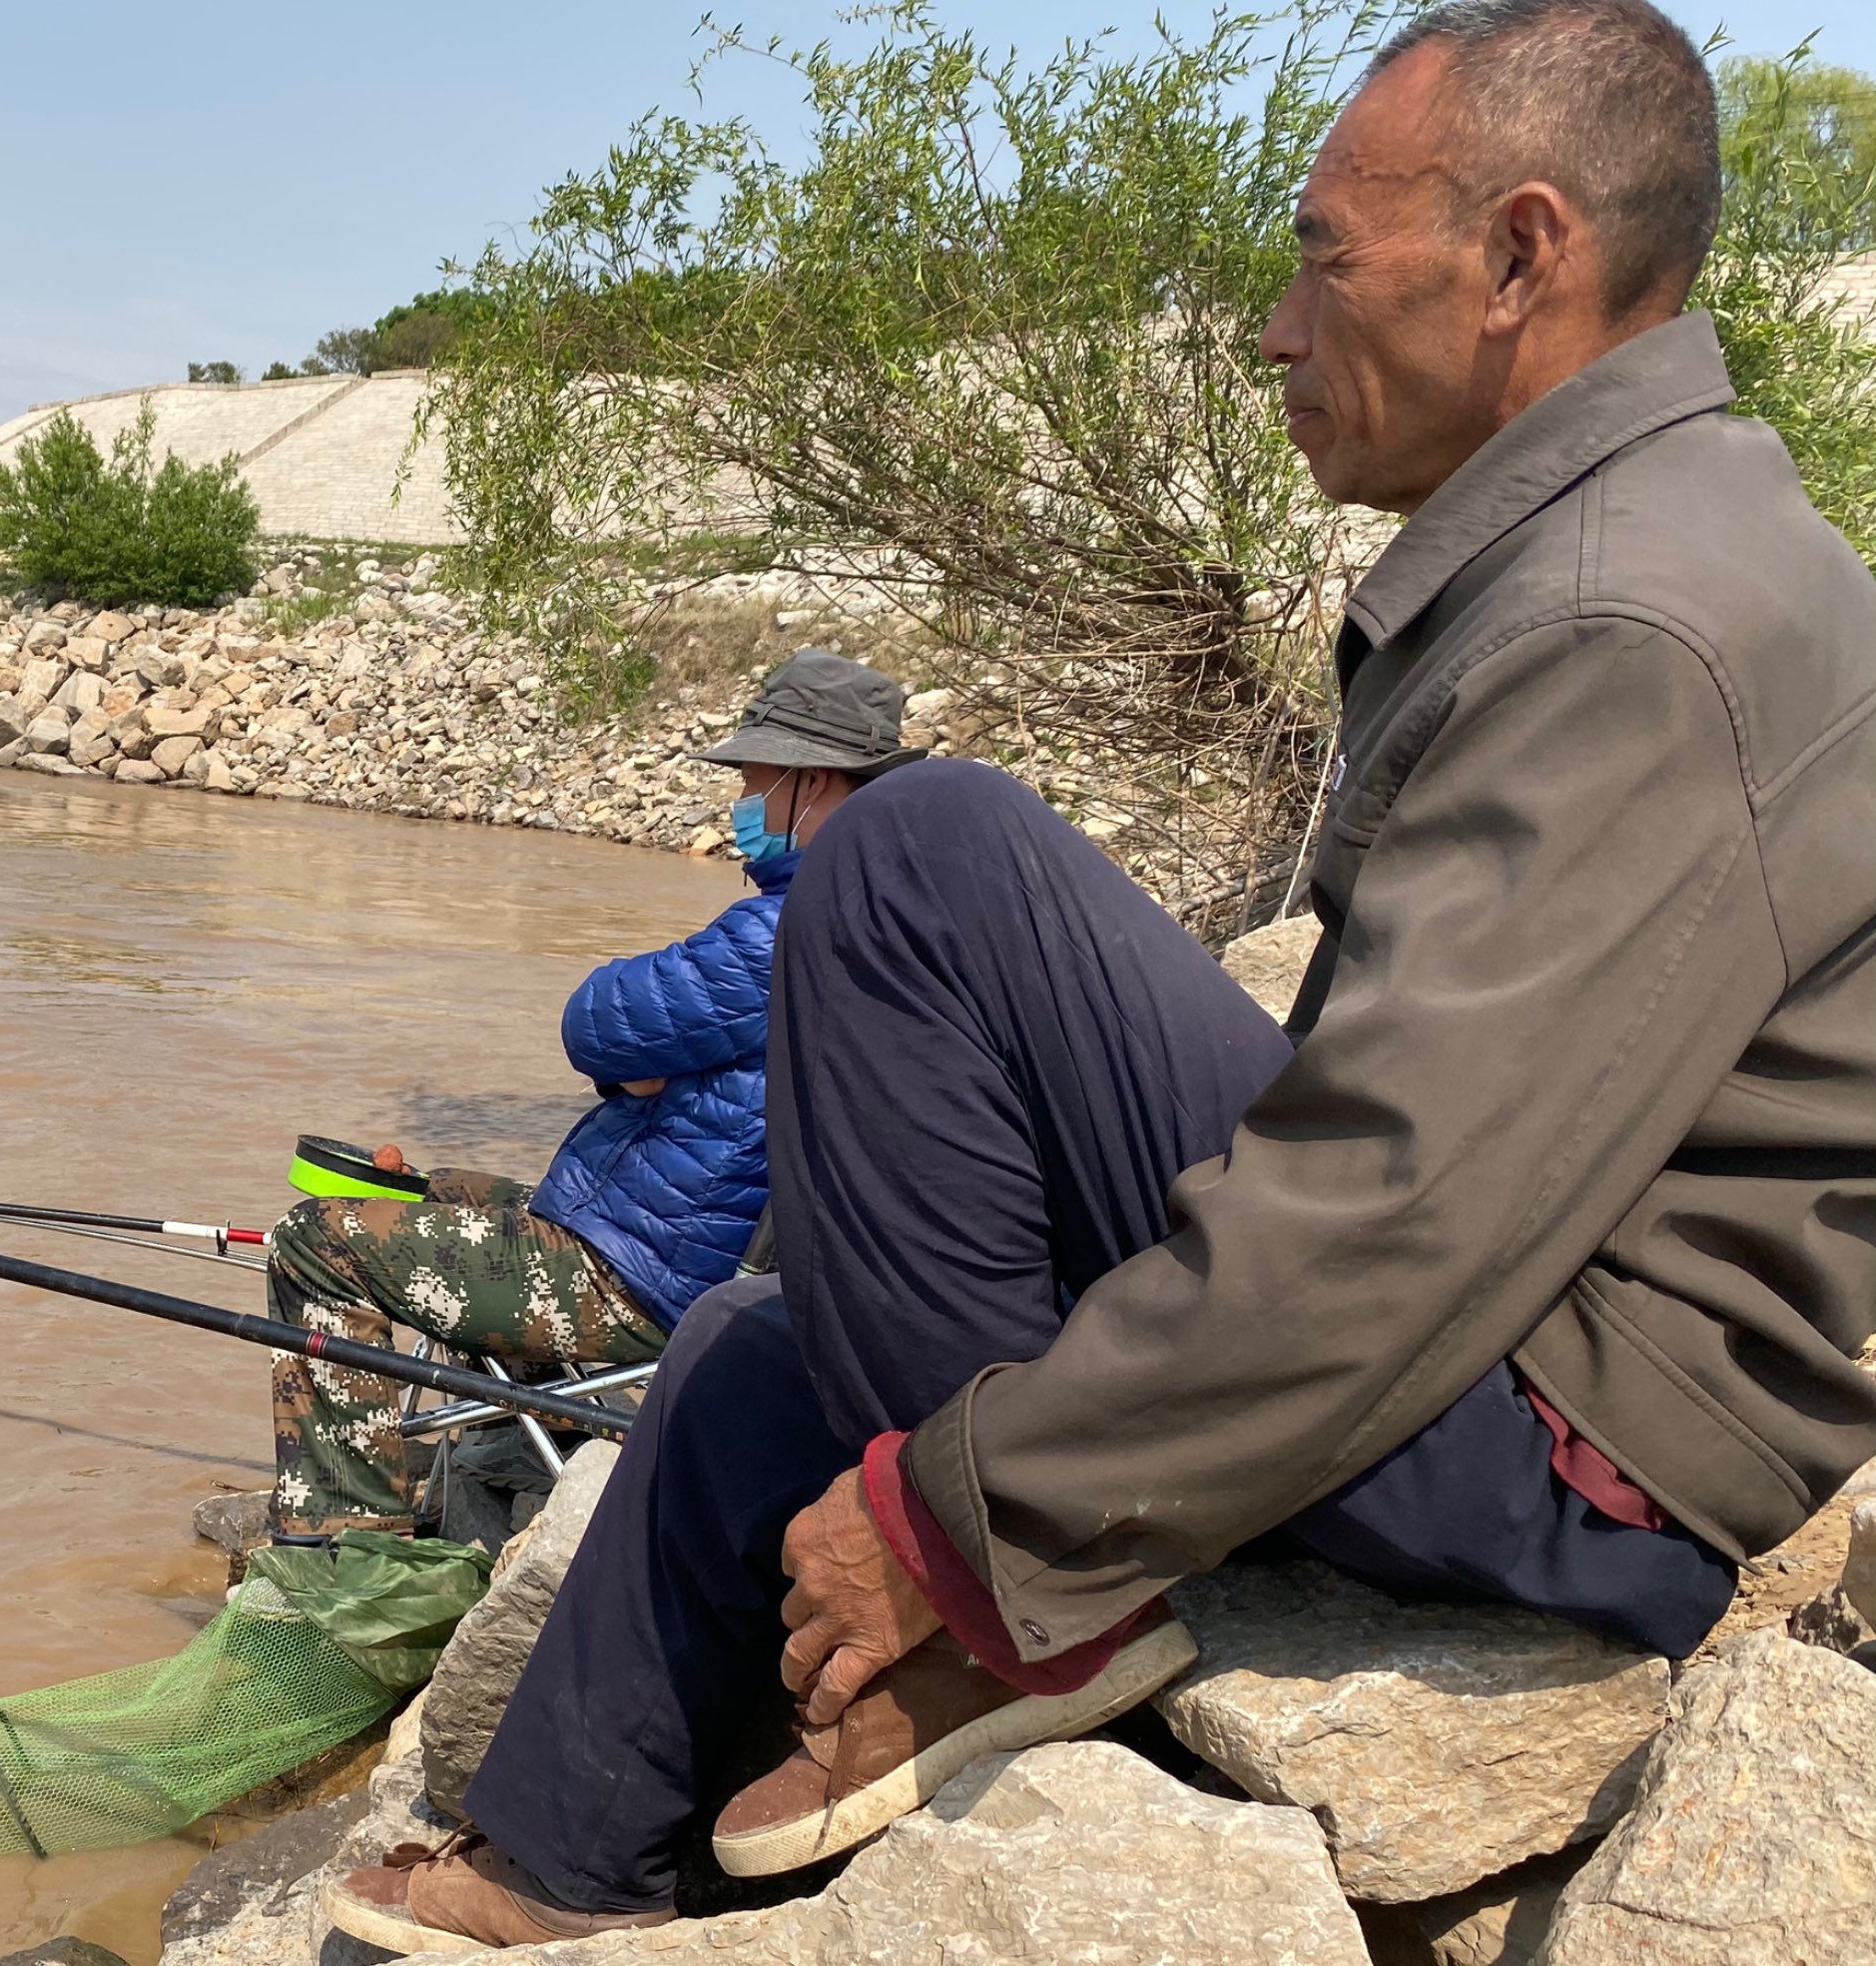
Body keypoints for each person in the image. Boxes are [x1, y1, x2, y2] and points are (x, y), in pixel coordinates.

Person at [325, 0, 1876, 1948]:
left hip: (1576, 1443)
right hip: (1511, 1341)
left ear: (1519, 255)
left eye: (1320, 258)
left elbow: (1398, 1216)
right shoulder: (1630, 548)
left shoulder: (1634, 618)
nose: (1271, 328)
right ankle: (565, 1866)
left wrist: (962, 1523)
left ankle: (1011, 1620)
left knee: (910, 854)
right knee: (750, 1345)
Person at [267, 650, 923, 1541]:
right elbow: (645, 1052)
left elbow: (595, 1022)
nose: (742, 805)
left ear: (811, 781)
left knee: (318, 1244)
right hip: (686, 1253)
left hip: (643, 1284)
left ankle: (342, 1555)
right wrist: (649, 1065)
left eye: (754, 781)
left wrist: (634, 1060)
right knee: (444, 1189)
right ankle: (479, 1460)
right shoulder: (881, 914)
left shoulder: (787, 927)